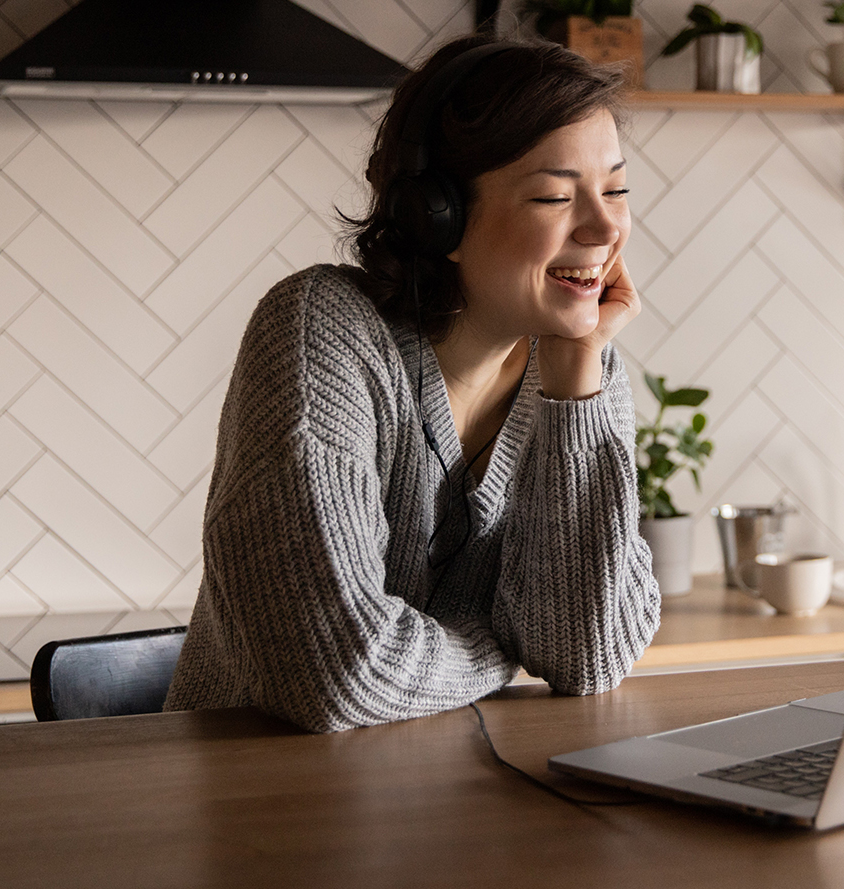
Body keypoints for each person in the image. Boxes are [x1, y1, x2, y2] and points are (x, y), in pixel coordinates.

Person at [162, 36, 660, 732]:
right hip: (260, 808)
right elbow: (338, 672)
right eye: (554, 195)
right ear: (438, 216)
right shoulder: (321, 331)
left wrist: (577, 388)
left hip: (448, 806)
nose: (606, 227)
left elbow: (587, 656)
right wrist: (498, 644)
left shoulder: (585, 372)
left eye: (616, 189)